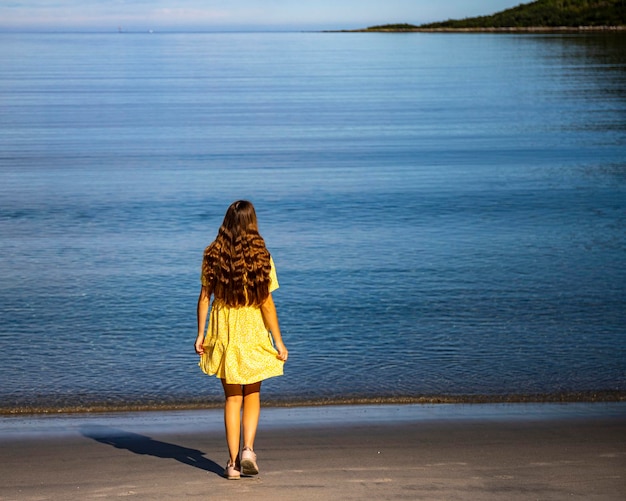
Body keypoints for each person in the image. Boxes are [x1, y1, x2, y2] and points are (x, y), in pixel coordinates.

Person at [195, 200, 288, 480]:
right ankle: (248, 449)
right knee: (253, 394)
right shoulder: (262, 256)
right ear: (253, 223)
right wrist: (279, 341)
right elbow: (267, 304)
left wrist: (200, 334)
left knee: (232, 397)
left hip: (224, 330)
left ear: (226, 223)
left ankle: (233, 464)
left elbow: (203, 299)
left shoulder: (212, 255)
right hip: (252, 329)